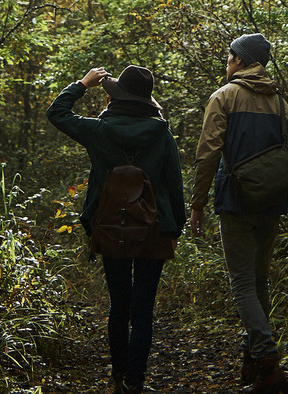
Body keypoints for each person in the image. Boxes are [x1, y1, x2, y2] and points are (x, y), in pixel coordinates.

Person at [48, 64, 185, 394]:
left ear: (117, 97)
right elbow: (174, 185)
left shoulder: (98, 130)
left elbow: (57, 112)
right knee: (143, 310)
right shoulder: (162, 133)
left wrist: (82, 83)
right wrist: (175, 227)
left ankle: (118, 379)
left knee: (119, 305)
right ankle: (136, 382)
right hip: (154, 228)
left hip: (110, 225)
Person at [189, 33, 288, 394]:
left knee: (242, 283)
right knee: (259, 282)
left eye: (229, 57)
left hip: (236, 200)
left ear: (239, 61)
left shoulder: (223, 96)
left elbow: (208, 153)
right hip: (272, 201)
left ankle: (269, 362)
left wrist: (196, 205)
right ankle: (255, 364)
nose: (227, 64)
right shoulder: (279, 103)